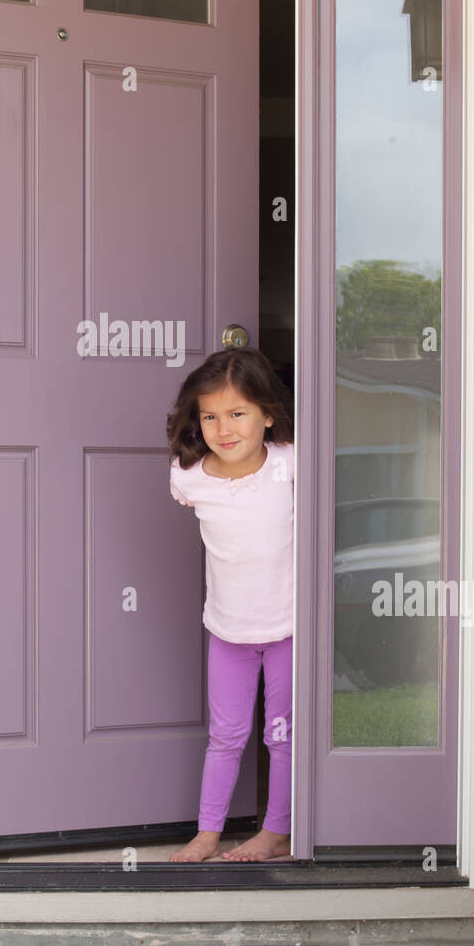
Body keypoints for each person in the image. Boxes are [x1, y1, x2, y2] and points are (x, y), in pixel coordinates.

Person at [166, 346, 294, 863]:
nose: (224, 428)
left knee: (282, 737)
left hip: (289, 628)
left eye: (238, 413)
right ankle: (209, 832)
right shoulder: (188, 478)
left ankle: (275, 832)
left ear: (267, 414)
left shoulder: (290, 462)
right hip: (228, 631)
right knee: (226, 736)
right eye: (211, 416)